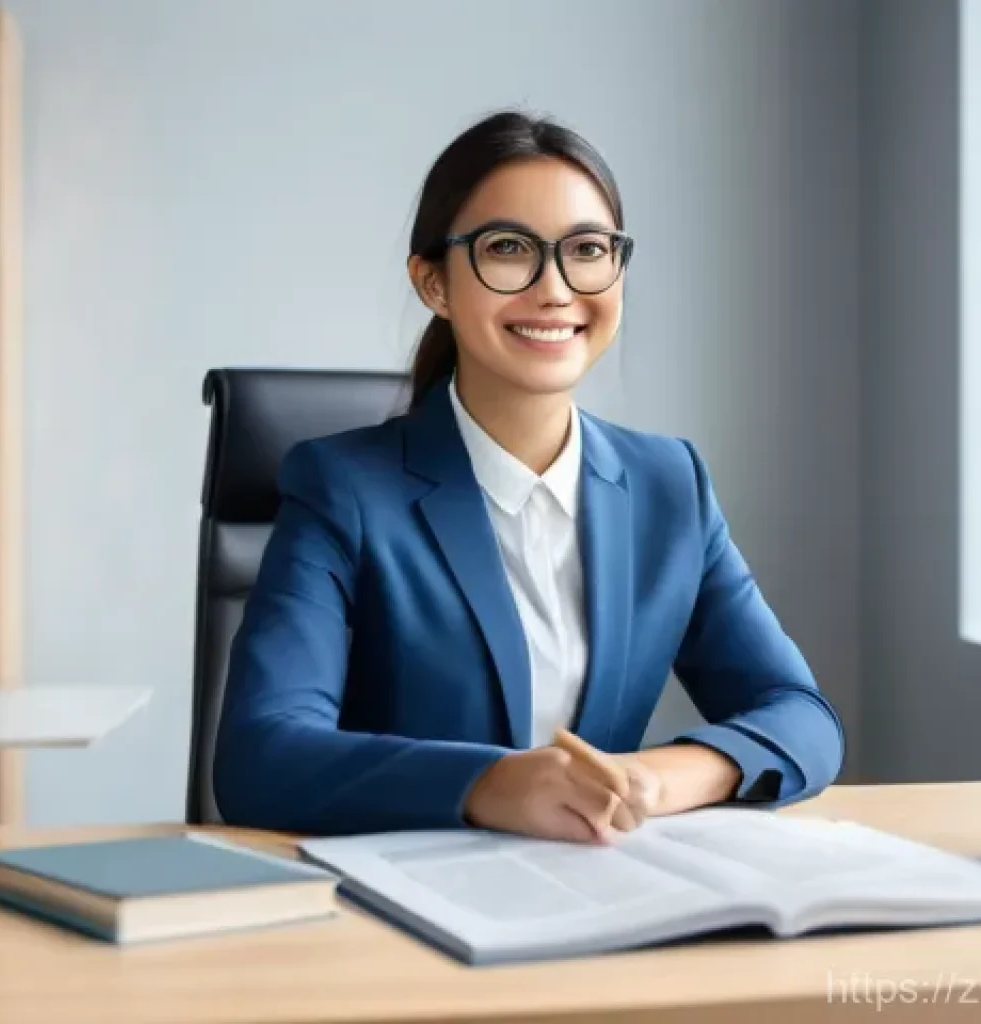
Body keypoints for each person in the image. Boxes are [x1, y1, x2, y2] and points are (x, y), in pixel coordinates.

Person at [212, 110, 845, 843]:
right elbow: (261, 757)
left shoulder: (670, 485)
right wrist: (488, 784)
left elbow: (802, 717)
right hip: (401, 913)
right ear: (434, 284)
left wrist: (653, 778)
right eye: (508, 249)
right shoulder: (341, 488)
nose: (555, 289)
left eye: (586, 249)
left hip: (594, 897)